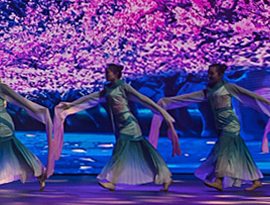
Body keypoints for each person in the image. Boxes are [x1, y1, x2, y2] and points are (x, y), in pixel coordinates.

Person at [158, 64, 270, 191]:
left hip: (230, 125)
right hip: (220, 125)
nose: (210, 76)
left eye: (212, 73)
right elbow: (186, 98)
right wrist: (167, 102)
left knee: (221, 151)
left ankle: (219, 180)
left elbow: (252, 97)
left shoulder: (229, 87)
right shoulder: (207, 92)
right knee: (241, 153)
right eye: (209, 73)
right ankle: (256, 181)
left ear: (220, 75)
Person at [48, 64, 178, 191]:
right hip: (120, 125)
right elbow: (91, 98)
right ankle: (166, 178)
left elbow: (143, 99)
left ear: (116, 74)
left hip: (129, 123)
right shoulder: (107, 89)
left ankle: (112, 182)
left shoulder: (124, 87)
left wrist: (163, 112)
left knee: (120, 151)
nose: (106, 75)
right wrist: (71, 104)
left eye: (108, 72)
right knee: (145, 153)